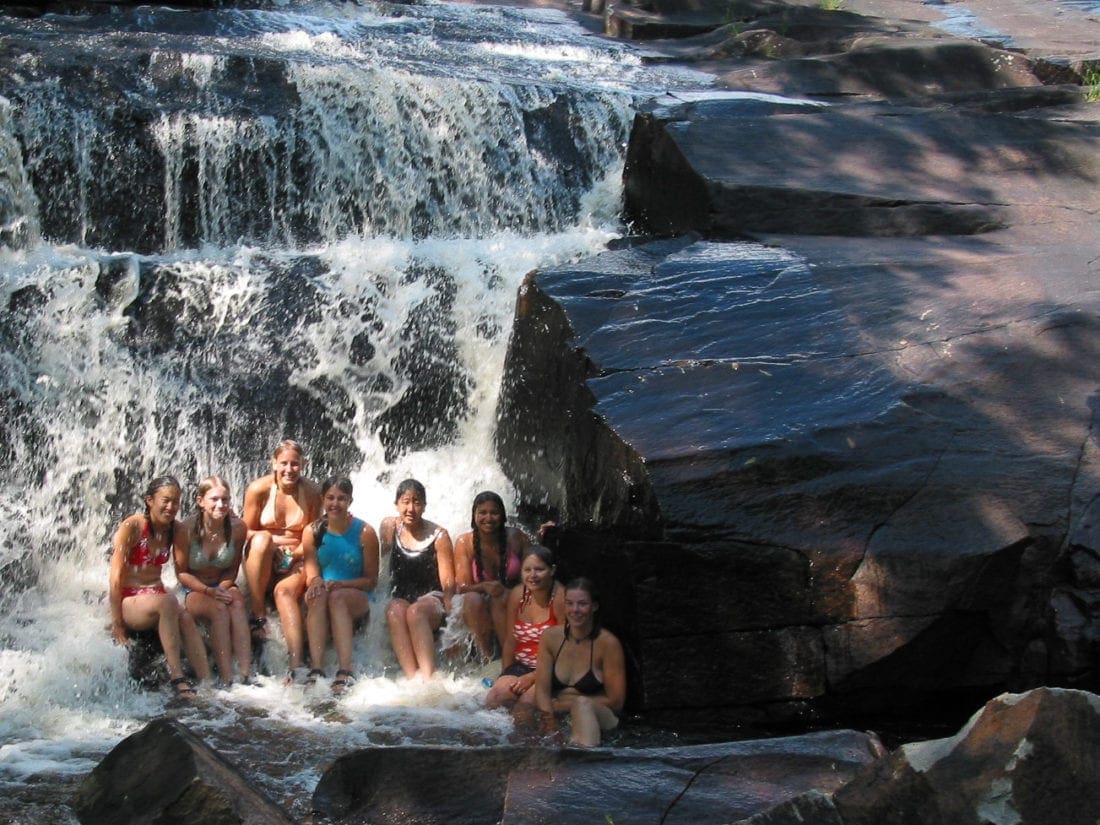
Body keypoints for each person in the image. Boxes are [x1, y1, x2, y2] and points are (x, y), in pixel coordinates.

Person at [108, 475, 212, 698]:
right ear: (149, 500)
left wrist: (208, 590)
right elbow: (115, 578)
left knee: (185, 617)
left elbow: (182, 573)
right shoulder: (132, 526)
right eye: (166, 500)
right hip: (130, 600)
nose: (171, 507)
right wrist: (117, 625)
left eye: (176, 502)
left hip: (156, 596)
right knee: (168, 602)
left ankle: (207, 682)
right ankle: (177, 677)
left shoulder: (178, 530)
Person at [241, 439, 321, 678]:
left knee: (283, 593)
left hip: (298, 557)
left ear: (303, 465)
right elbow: (245, 531)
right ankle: (259, 617)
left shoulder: (313, 492)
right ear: (274, 463)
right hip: (263, 555)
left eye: (295, 464)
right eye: (284, 463)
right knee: (262, 540)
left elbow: (314, 534)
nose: (289, 469)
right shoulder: (258, 489)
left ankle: (297, 663)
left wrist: (293, 555)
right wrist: (274, 545)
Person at [302, 477, 379, 694]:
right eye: (330, 498)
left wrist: (341, 584)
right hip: (326, 592)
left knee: (337, 597)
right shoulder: (312, 531)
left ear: (350, 501)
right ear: (322, 499)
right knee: (317, 594)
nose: (335, 504)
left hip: (358, 596)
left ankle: (346, 670)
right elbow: (311, 572)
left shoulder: (365, 532)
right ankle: (316, 669)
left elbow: (371, 581)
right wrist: (316, 581)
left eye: (341, 499)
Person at [174, 476, 251, 686]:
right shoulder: (185, 529)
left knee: (237, 603)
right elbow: (181, 574)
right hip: (192, 588)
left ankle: (245, 674)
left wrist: (222, 588)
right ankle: (227, 677)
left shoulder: (238, 528)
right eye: (214, 499)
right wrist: (209, 591)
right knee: (219, 609)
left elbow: (232, 570)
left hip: (221, 584)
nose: (221, 505)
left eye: (225, 500)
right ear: (200, 501)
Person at [533, 577, 626, 747]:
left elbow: (616, 702)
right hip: (560, 717)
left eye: (582, 604)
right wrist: (550, 725)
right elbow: (541, 691)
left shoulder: (608, 644)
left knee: (581, 704)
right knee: (524, 706)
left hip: (602, 717)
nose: (575, 610)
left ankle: (584, 758)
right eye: (569, 603)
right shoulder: (550, 638)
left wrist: (562, 705)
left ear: (594, 606)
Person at [380, 479, 455, 680]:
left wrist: (453, 624)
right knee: (394, 610)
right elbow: (382, 566)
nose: (411, 508)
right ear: (397, 504)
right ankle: (413, 678)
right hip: (402, 598)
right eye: (405, 502)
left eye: (417, 502)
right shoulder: (389, 527)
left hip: (432, 600)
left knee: (415, 612)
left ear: (424, 506)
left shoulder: (439, 536)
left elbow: (448, 584)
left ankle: (429, 678)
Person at [453, 491, 533, 660]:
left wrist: (511, 593)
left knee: (499, 598)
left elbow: (535, 571)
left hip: (511, 598)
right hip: (478, 606)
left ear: (502, 515)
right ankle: (486, 657)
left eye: (494, 512)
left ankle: (510, 657)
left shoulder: (516, 537)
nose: (488, 518)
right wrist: (484, 586)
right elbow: (461, 587)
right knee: (473, 598)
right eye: (482, 513)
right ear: (474, 515)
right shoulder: (464, 542)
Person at [485, 545, 565, 709]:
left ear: (552, 570)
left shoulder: (560, 598)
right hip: (522, 666)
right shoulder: (518, 594)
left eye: (539, 570)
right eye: (527, 570)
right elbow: (511, 640)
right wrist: (505, 674)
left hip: (553, 669)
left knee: (526, 704)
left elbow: (566, 650)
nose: (532, 575)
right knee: (495, 699)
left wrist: (532, 677)